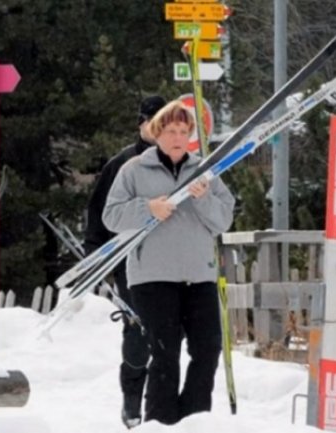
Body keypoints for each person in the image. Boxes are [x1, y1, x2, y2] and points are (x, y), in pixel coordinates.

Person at [103, 100, 235, 425]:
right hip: (153, 278)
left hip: (199, 276)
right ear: (156, 133)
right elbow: (111, 215)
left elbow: (223, 220)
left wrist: (203, 198)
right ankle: (160, 423)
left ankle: (192, 421)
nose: (177, 137)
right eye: (170, 131)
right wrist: (147, 209)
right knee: (165, 355)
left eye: (183, 131)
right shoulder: (133, 170)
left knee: (207, 350)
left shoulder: (205, 172)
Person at [83, 95, 166, 428]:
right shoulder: (121, 165)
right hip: (129, 261)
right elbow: (98, 212)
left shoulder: (181, 162)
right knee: (139, 334)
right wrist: (94, 254)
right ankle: (133, 404)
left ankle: (158, 407)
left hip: (171, 261)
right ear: (141, 124)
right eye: (153, 122)